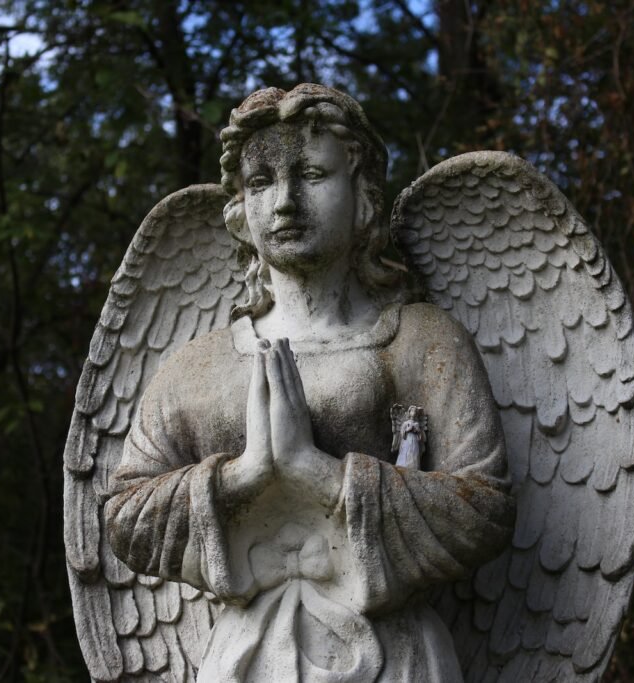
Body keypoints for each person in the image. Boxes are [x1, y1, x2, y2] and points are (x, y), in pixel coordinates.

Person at [104, 84, 516, 682]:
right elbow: (125, 514)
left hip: (391, 655)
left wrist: (313, 471)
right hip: (248, 659)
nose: (286, 203)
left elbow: (485, 506)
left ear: (364, 194)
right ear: (240, 208)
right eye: (262, 182)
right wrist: (245, 475)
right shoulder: (197, 365)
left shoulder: (422, 339)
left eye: (312, 174)